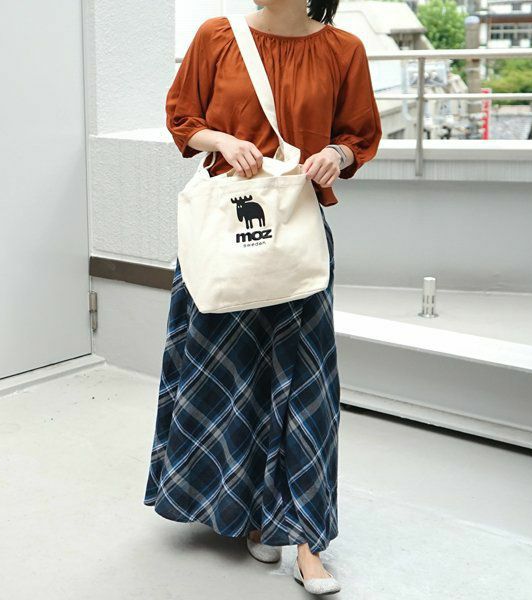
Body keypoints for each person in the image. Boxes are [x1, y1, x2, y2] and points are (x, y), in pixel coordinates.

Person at [143, 1, 382, 594]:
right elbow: (182, 118)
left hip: (295, 236)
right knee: (229, 380)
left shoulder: (342, 50)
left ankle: (307, 542)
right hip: (223, 237)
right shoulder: (217, 36)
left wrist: (336, 155)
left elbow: (358, 135)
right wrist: (223, 139)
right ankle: (251, 514)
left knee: (307, 387)